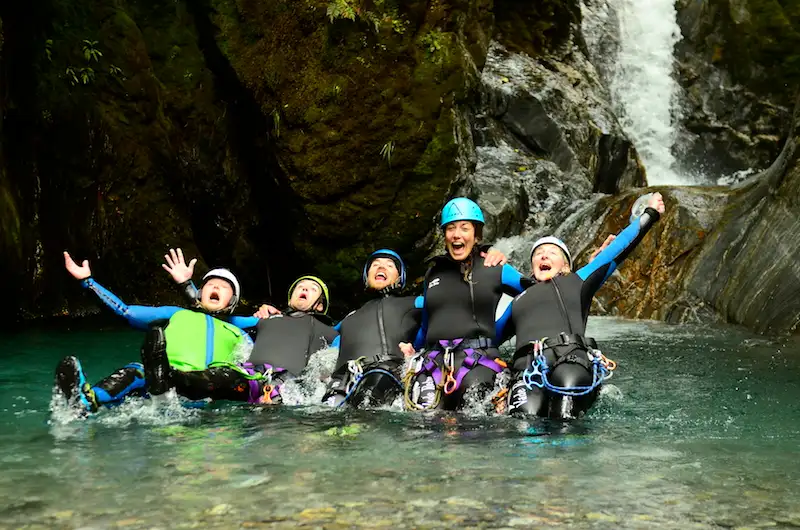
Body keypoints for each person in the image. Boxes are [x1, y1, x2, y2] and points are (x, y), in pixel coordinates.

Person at [501, 192, 666, 419]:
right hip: (526, 371)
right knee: (523, 423)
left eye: (551, 253)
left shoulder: (577, 281)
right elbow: (487, 337)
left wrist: (649, 214)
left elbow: (616, 251)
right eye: (538, 254)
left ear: (566, 265)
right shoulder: (518, 301)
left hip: (569, 359)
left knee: (564, 418)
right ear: (532, 267)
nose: (543, 256)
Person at [55, 249, 256, 414]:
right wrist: (88, 282)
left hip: (202, 392)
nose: (215, 287)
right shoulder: (175, 314)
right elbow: (125, 312)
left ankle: (167, 382)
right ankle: (85, 402)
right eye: (210, 284)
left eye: (223, 287)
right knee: (136, 370)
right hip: (159, 380)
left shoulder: (238, 332)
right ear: (199, 293)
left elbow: (255, 369)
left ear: (232, 302)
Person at [402, 198, 528, 411]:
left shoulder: (494, 266)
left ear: (476, 235)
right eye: (451, 228)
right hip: (434, 362)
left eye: (464, 228)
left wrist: (503, 330)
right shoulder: (433, 273)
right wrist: (410, 349)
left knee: (473, 428)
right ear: (445, 236)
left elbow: (535, 295)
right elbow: (426, 326)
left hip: (479, 361)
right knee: (423, 426)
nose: (456, 234)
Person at [152, 274, 338, 405]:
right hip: (250, 379)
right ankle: (170, 378)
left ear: (320, 305)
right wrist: (186, 284)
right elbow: (215, 313)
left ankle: (171, 381)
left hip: (288, 390)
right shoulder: (265, 319)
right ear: (290, 299)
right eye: (300, 286)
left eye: (312, 289)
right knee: (221, 377)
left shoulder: (331, 332)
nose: (304, 288)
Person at [322, 249, 422, 408]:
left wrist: (416, 351)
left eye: (389, 265)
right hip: (343, 379)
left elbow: (443, 319)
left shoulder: (415, 303)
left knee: (367, 402)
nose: (381, 268)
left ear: (399, 277)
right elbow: (324, 344)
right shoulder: (350, 318)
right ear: (366, 276)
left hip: (384, 371)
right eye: (375, 265)